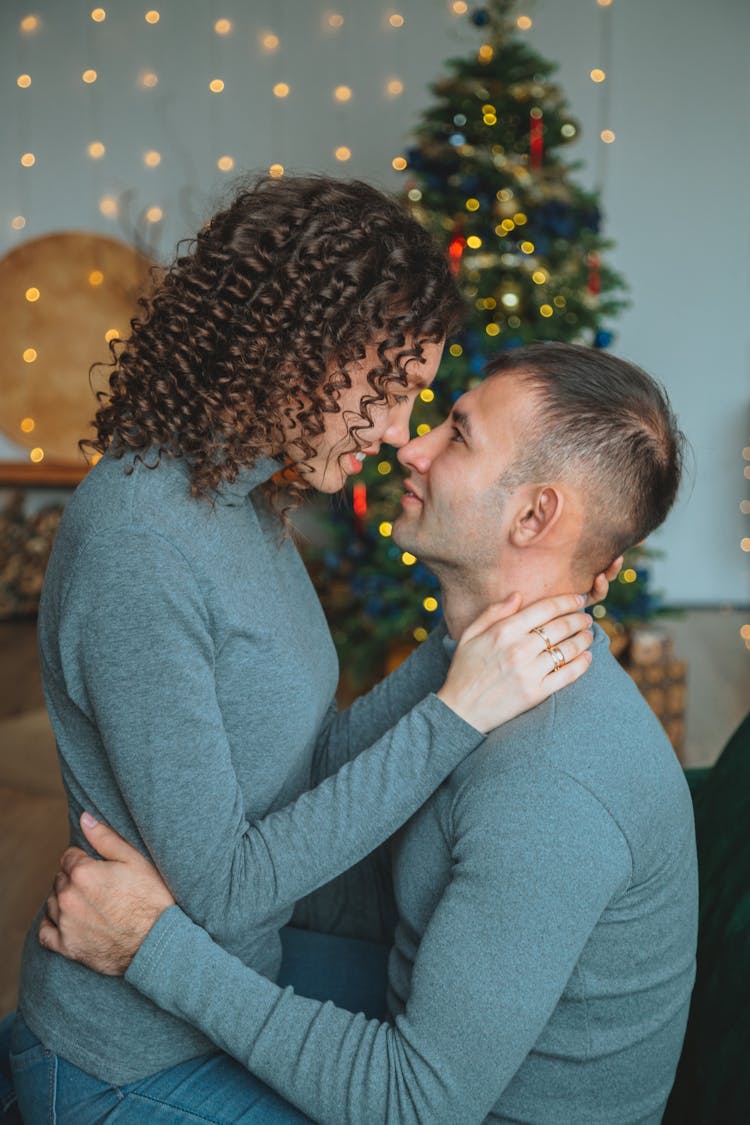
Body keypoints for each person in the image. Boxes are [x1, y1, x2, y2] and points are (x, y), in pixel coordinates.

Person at [6, 179, 603, 1121]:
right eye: (396, 388)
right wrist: (457, 713)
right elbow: (229, 887)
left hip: (223, 989)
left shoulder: (238, 498)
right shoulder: (140, 541)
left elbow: (303, 761)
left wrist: (459, 648)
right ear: (300, 354)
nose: (403, 433)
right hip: (129, 1061)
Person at [33, 342, 697, 1124]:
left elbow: (414, 1101)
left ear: (535, 514)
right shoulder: (487, 676)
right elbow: (348, 833)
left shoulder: (552, 785)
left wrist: (150, 942)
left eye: (457, 433)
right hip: (418, 1016)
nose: (408, 445)